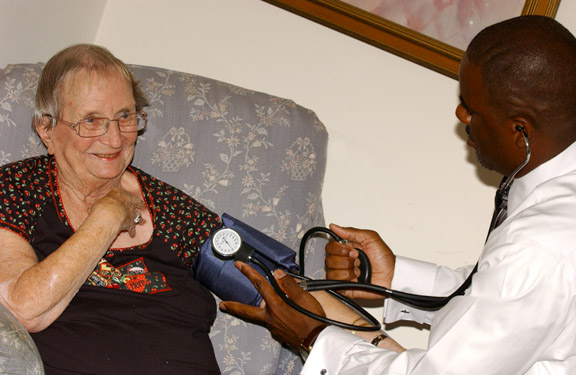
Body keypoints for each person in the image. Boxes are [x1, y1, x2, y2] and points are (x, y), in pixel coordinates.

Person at [220, 15, 576, 374]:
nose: (460, 114)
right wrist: (393, 278)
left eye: (472, 108)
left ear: (520, 131)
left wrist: (311, 336)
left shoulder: (540, 247)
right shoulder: (555, 208)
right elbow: (498, 296)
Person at [0, 44, 221, 374]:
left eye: (124, 117)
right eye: (91, 120)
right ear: (46, 128)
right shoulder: (17, 187)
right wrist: (109, 214)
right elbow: (23, 308)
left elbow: (265, 280)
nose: (115, 139)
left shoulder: (172, 209)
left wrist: (326, 291)